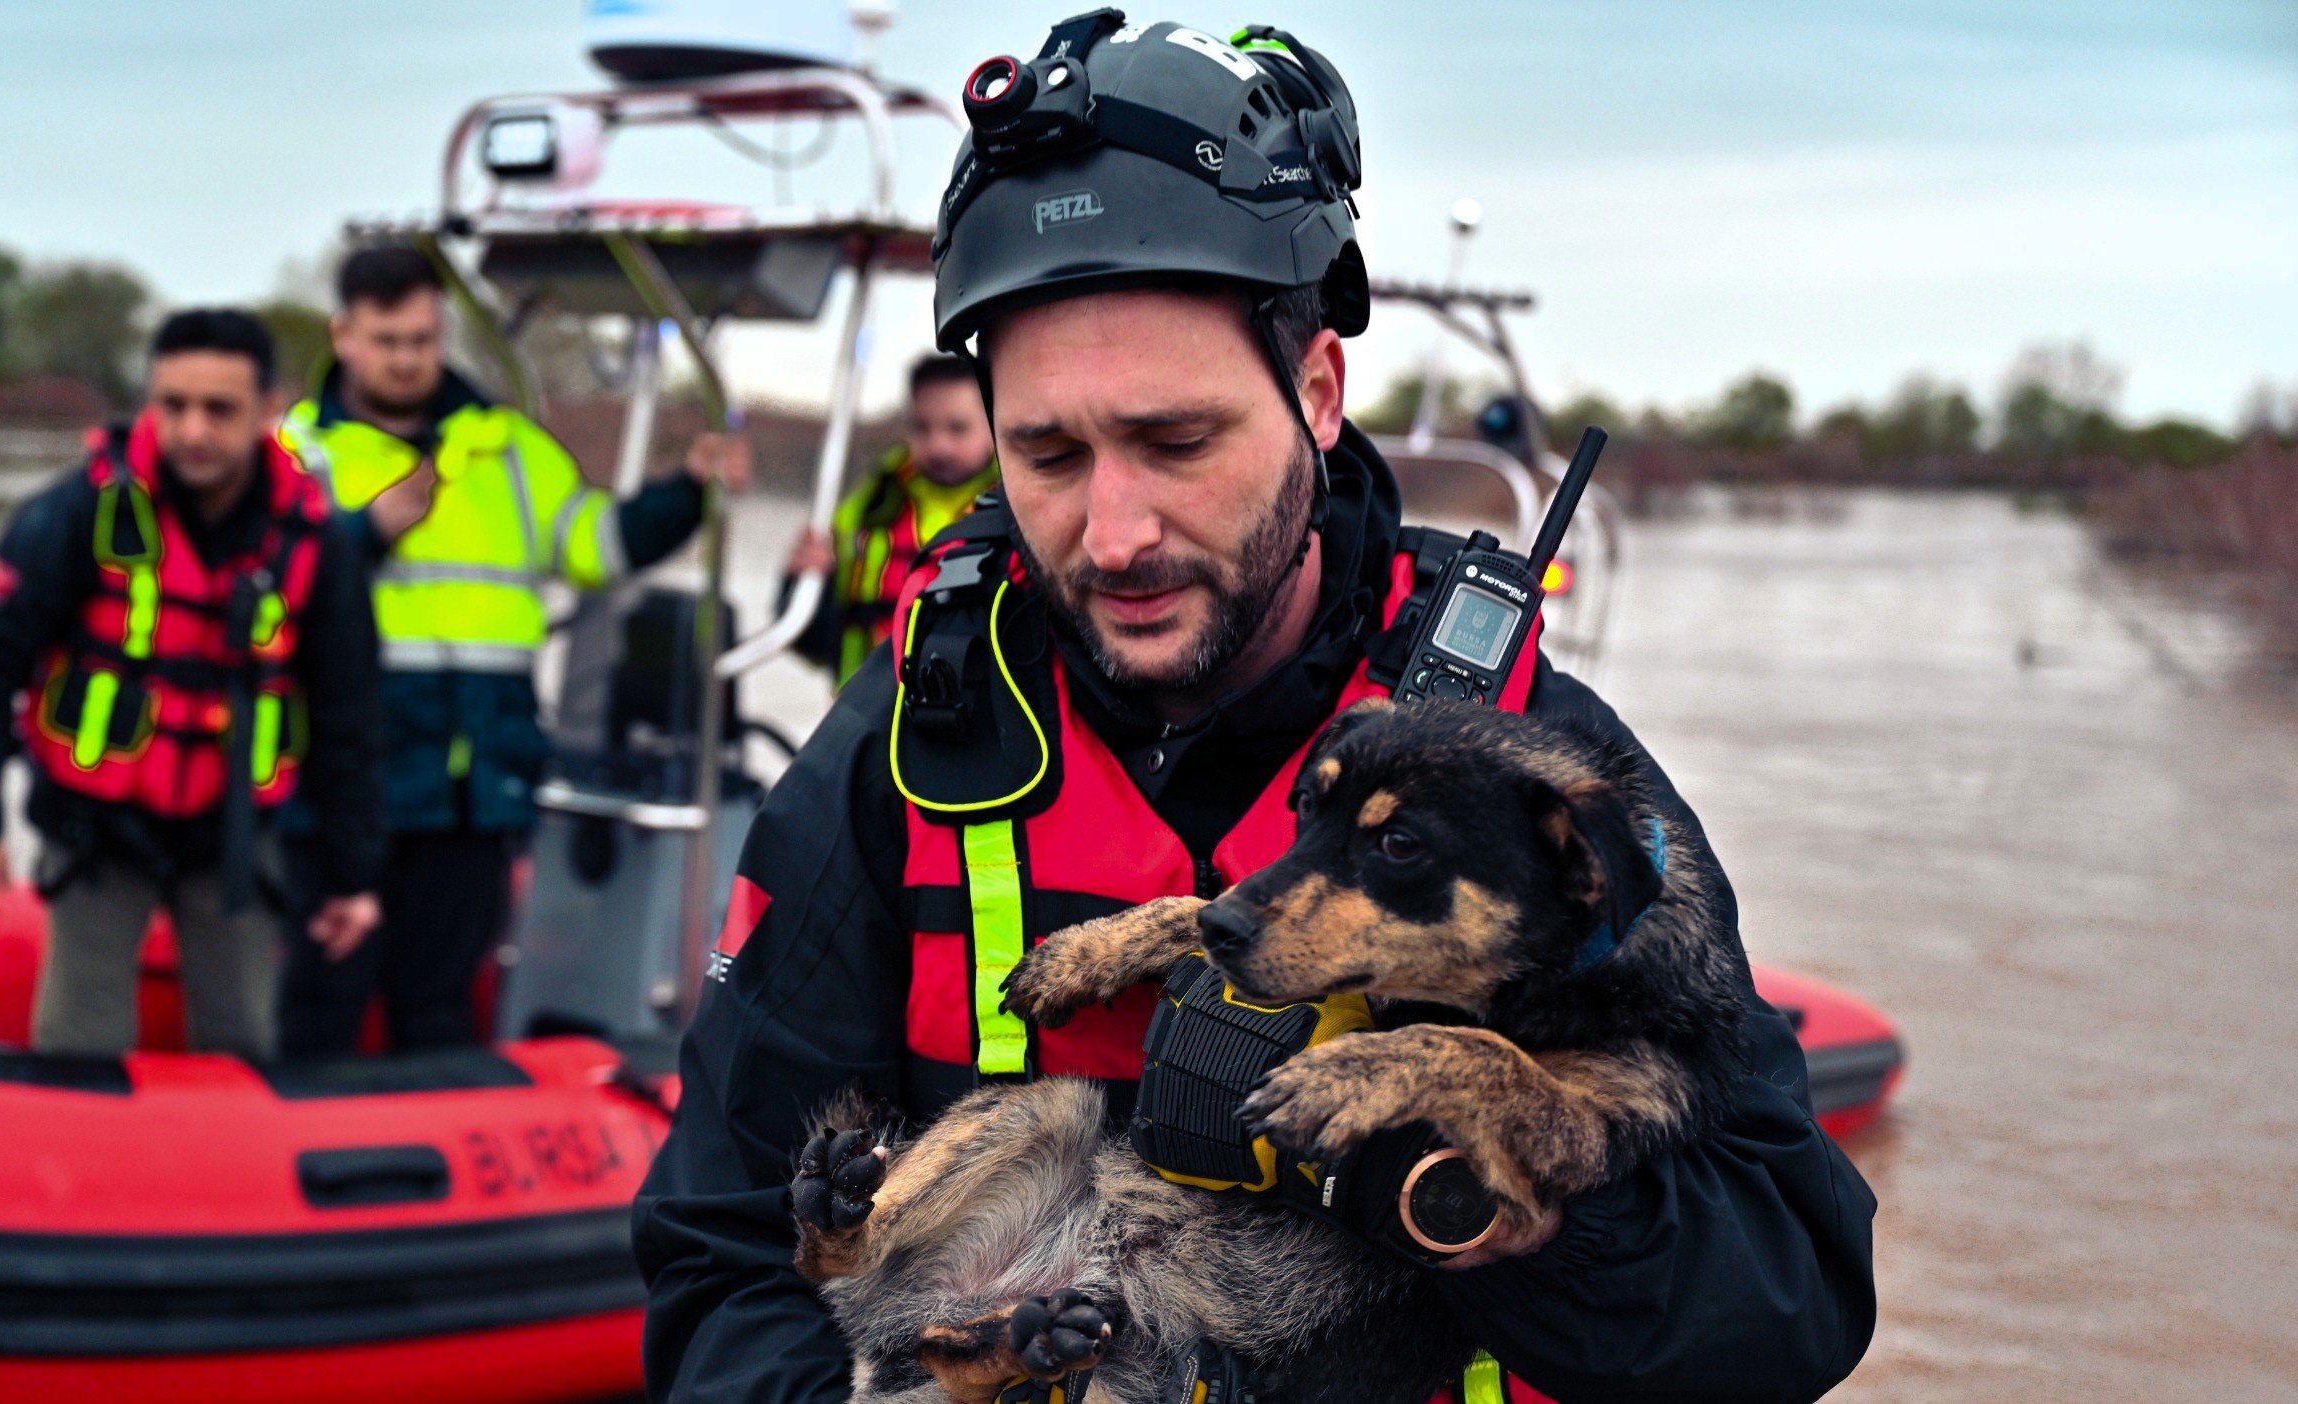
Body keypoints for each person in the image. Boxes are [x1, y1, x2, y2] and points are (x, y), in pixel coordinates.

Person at [633, 16, 1876, 1404]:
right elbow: (724, 1257)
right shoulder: (904, 740)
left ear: (1318, 394)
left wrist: (1459, 1180)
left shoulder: (1533, 771)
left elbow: (1788, 1306)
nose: (1114, 533)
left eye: (1177, 441)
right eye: (1047, 454)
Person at [274, 245, 750, 1058]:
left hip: (473, 786)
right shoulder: (296, 454)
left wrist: (687, 490)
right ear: (343, 335)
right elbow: (261, 586)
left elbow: (597, 544)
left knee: (440, 1003)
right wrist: (364, 532)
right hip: (342, 785)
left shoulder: (509, 450)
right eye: (387, 341)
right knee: (322, 1002)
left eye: (422, 339)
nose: (406, 358)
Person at [0, 308, 385, 1062]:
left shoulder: (313, 541)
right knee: (80, 1045)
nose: (192, 431)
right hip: (95, 828)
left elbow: (349, 712)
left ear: (268, 412)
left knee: (242, 1040)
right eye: (172, 405)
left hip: (233, 836)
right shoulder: (78, 512)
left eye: (219, 409)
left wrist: (351, 875)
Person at [784, 354, 999, 681]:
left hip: (971, 706)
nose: (938, 445)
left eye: (957, 428)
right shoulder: (868, 506)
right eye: (922, 427)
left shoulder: (1015, 511)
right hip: (861, 701)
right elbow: (808, 639)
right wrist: (806, 578)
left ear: (993, 425)